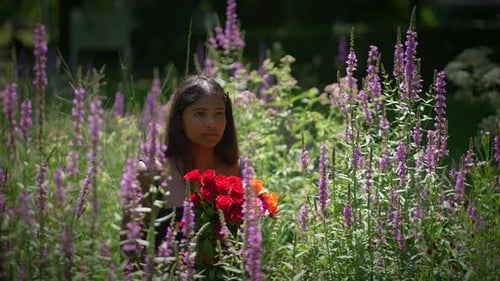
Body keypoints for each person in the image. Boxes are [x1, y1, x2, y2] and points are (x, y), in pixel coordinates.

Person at [132, 74, 241, 265]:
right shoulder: (150, 173)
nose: (211, 123)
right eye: (200, 113)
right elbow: (130, 251)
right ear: (179, 118)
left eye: (219, 113)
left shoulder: (239, 170)